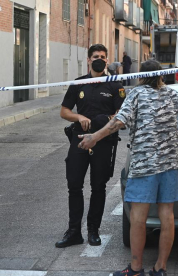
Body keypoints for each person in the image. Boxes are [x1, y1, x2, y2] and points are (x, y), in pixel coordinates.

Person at [78, 60, 178, 276]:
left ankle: (136, 269)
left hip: (144, 164)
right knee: (167, 216)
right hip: (170, 164)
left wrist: (95, 137)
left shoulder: (136, 95)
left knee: (138, 217)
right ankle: (160, 268)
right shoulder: (172, 94)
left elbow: (119, 122)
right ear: (160, 76)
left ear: (142, 76)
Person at [56, 44, 126, 248]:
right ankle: (74, 232)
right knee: (74, 185)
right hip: (79, 140)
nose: (100, 59)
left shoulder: (115, 85)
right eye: (96, 56)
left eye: (103, 57)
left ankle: (93, 230)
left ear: (107, 60)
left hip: (103, 142)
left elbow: (122, 115)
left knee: (98, 187)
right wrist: (78, 116)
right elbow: (64, 111)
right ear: (88, 60)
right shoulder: (78, 84)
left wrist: (108, 119)